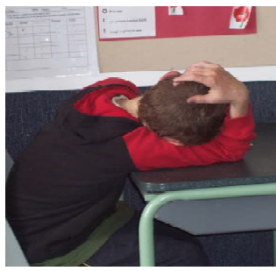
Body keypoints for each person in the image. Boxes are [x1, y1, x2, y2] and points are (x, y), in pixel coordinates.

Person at [6, 61, 256, 266]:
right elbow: (228, 149)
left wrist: (176, 88)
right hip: (57, 246)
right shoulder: (131, 146)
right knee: (183, 257)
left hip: (48, 224)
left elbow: (162, 88)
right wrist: (240, 98)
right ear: (171, 141)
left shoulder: (107, 91)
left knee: (186, 245)